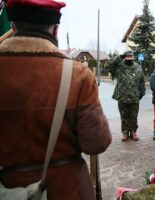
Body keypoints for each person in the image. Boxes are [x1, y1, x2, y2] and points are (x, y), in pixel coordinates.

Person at [0, 0, 112, 200]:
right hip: (65, 189)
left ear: (13, 26)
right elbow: (97, 143)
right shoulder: (77, 75)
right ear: (56, 30)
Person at [106, 51, 145, 142]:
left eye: (131, 56)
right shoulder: (119, 66)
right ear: (124, 57)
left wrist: (142, 93)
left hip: (135, 97)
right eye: (127, 56)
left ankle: (133, 132)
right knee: (124, 116)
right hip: (122, 97)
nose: (129, 57)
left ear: (133, 57)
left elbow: (142, 82)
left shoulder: (138, 67)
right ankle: (125, 133)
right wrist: (119, 57)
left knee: (133, 116)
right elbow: (107, 65)